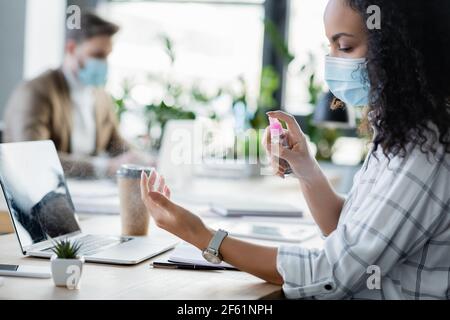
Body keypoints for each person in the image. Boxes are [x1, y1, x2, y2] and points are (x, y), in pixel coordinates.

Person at [139, 0, 450, 299]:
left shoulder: (424, 149)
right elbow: (351, 233)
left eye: (343, 47)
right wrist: (305, 167)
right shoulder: (402, 133)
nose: (332, 60)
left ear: (397, 46)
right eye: (329, 46)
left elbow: (332, 274)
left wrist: (201, 236)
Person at [3, 12, 147, 178]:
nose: (104, 63)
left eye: (107, 56)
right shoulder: (35, 92)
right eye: (97, 55)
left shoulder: (100, 96)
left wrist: (141, 160)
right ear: (71, 48)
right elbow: (34, 157)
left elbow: (116, 145)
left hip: (88, 193)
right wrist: (103, 168)